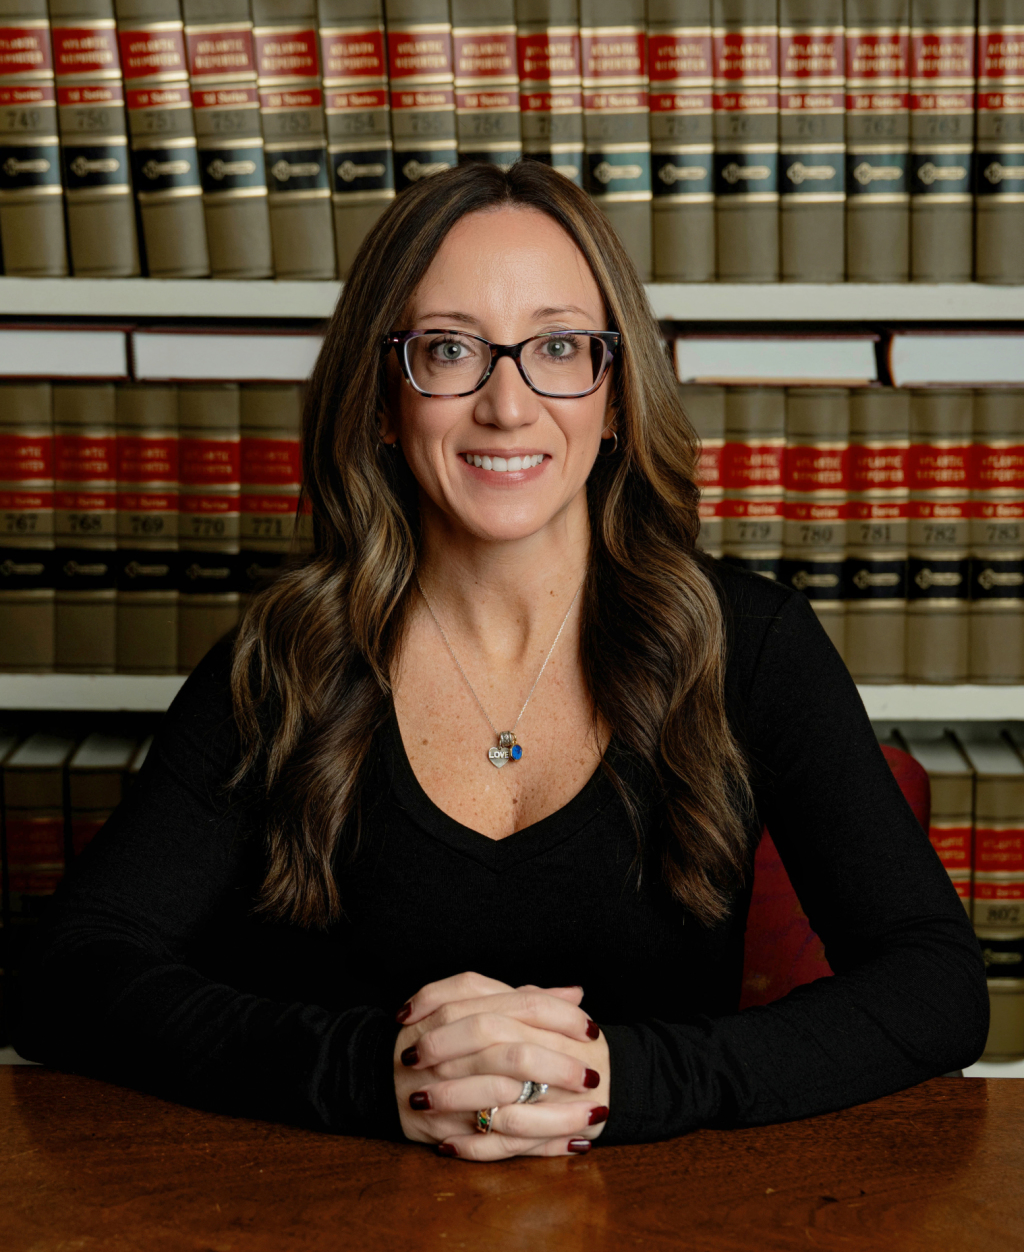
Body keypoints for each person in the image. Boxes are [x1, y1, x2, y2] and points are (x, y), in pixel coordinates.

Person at [16, 161, 987, 1161]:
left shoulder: (750, 648)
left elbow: (937, 985)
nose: (507, 405)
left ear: (614, 396)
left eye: (559, 347)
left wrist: (617, 1082)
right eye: (449, 350)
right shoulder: (284, 661)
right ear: (385, 401)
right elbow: (66, 973)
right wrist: (378, 1072)